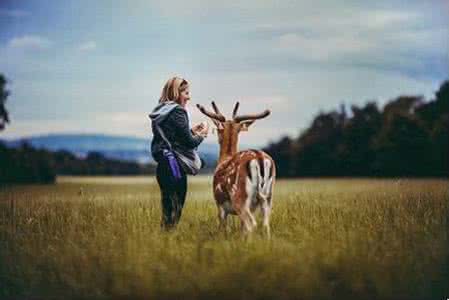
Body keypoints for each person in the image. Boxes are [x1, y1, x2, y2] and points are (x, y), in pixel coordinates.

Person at [149, 76, 209, 229]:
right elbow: (189, 143)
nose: (189, 97)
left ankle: (163, 244)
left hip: (163, 165)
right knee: (175, 211)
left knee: (167, 211)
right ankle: (166, 245)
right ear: (177, 93)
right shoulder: (178, 112)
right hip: (174, 166)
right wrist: (203, 134)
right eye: (186, 93)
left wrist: (190, 131)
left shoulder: (161, 110)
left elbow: (172, 138)